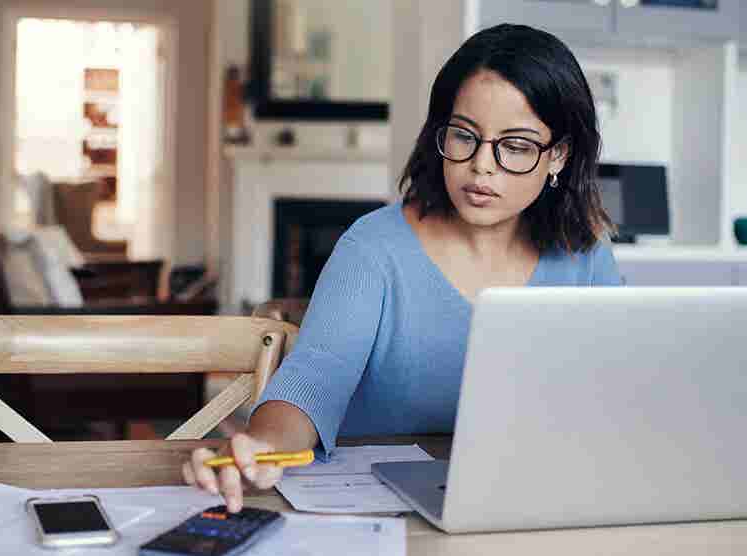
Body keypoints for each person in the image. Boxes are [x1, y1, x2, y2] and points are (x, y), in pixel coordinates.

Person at [183, 23, 620, 511]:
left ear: (557, 155)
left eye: (515, 146)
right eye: (464, 137)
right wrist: (263, 447)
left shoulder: (585, 255)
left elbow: (617, 394)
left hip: (530, 506)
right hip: (381, 514)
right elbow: (312, 381)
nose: (482, 166)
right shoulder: (372, 249)